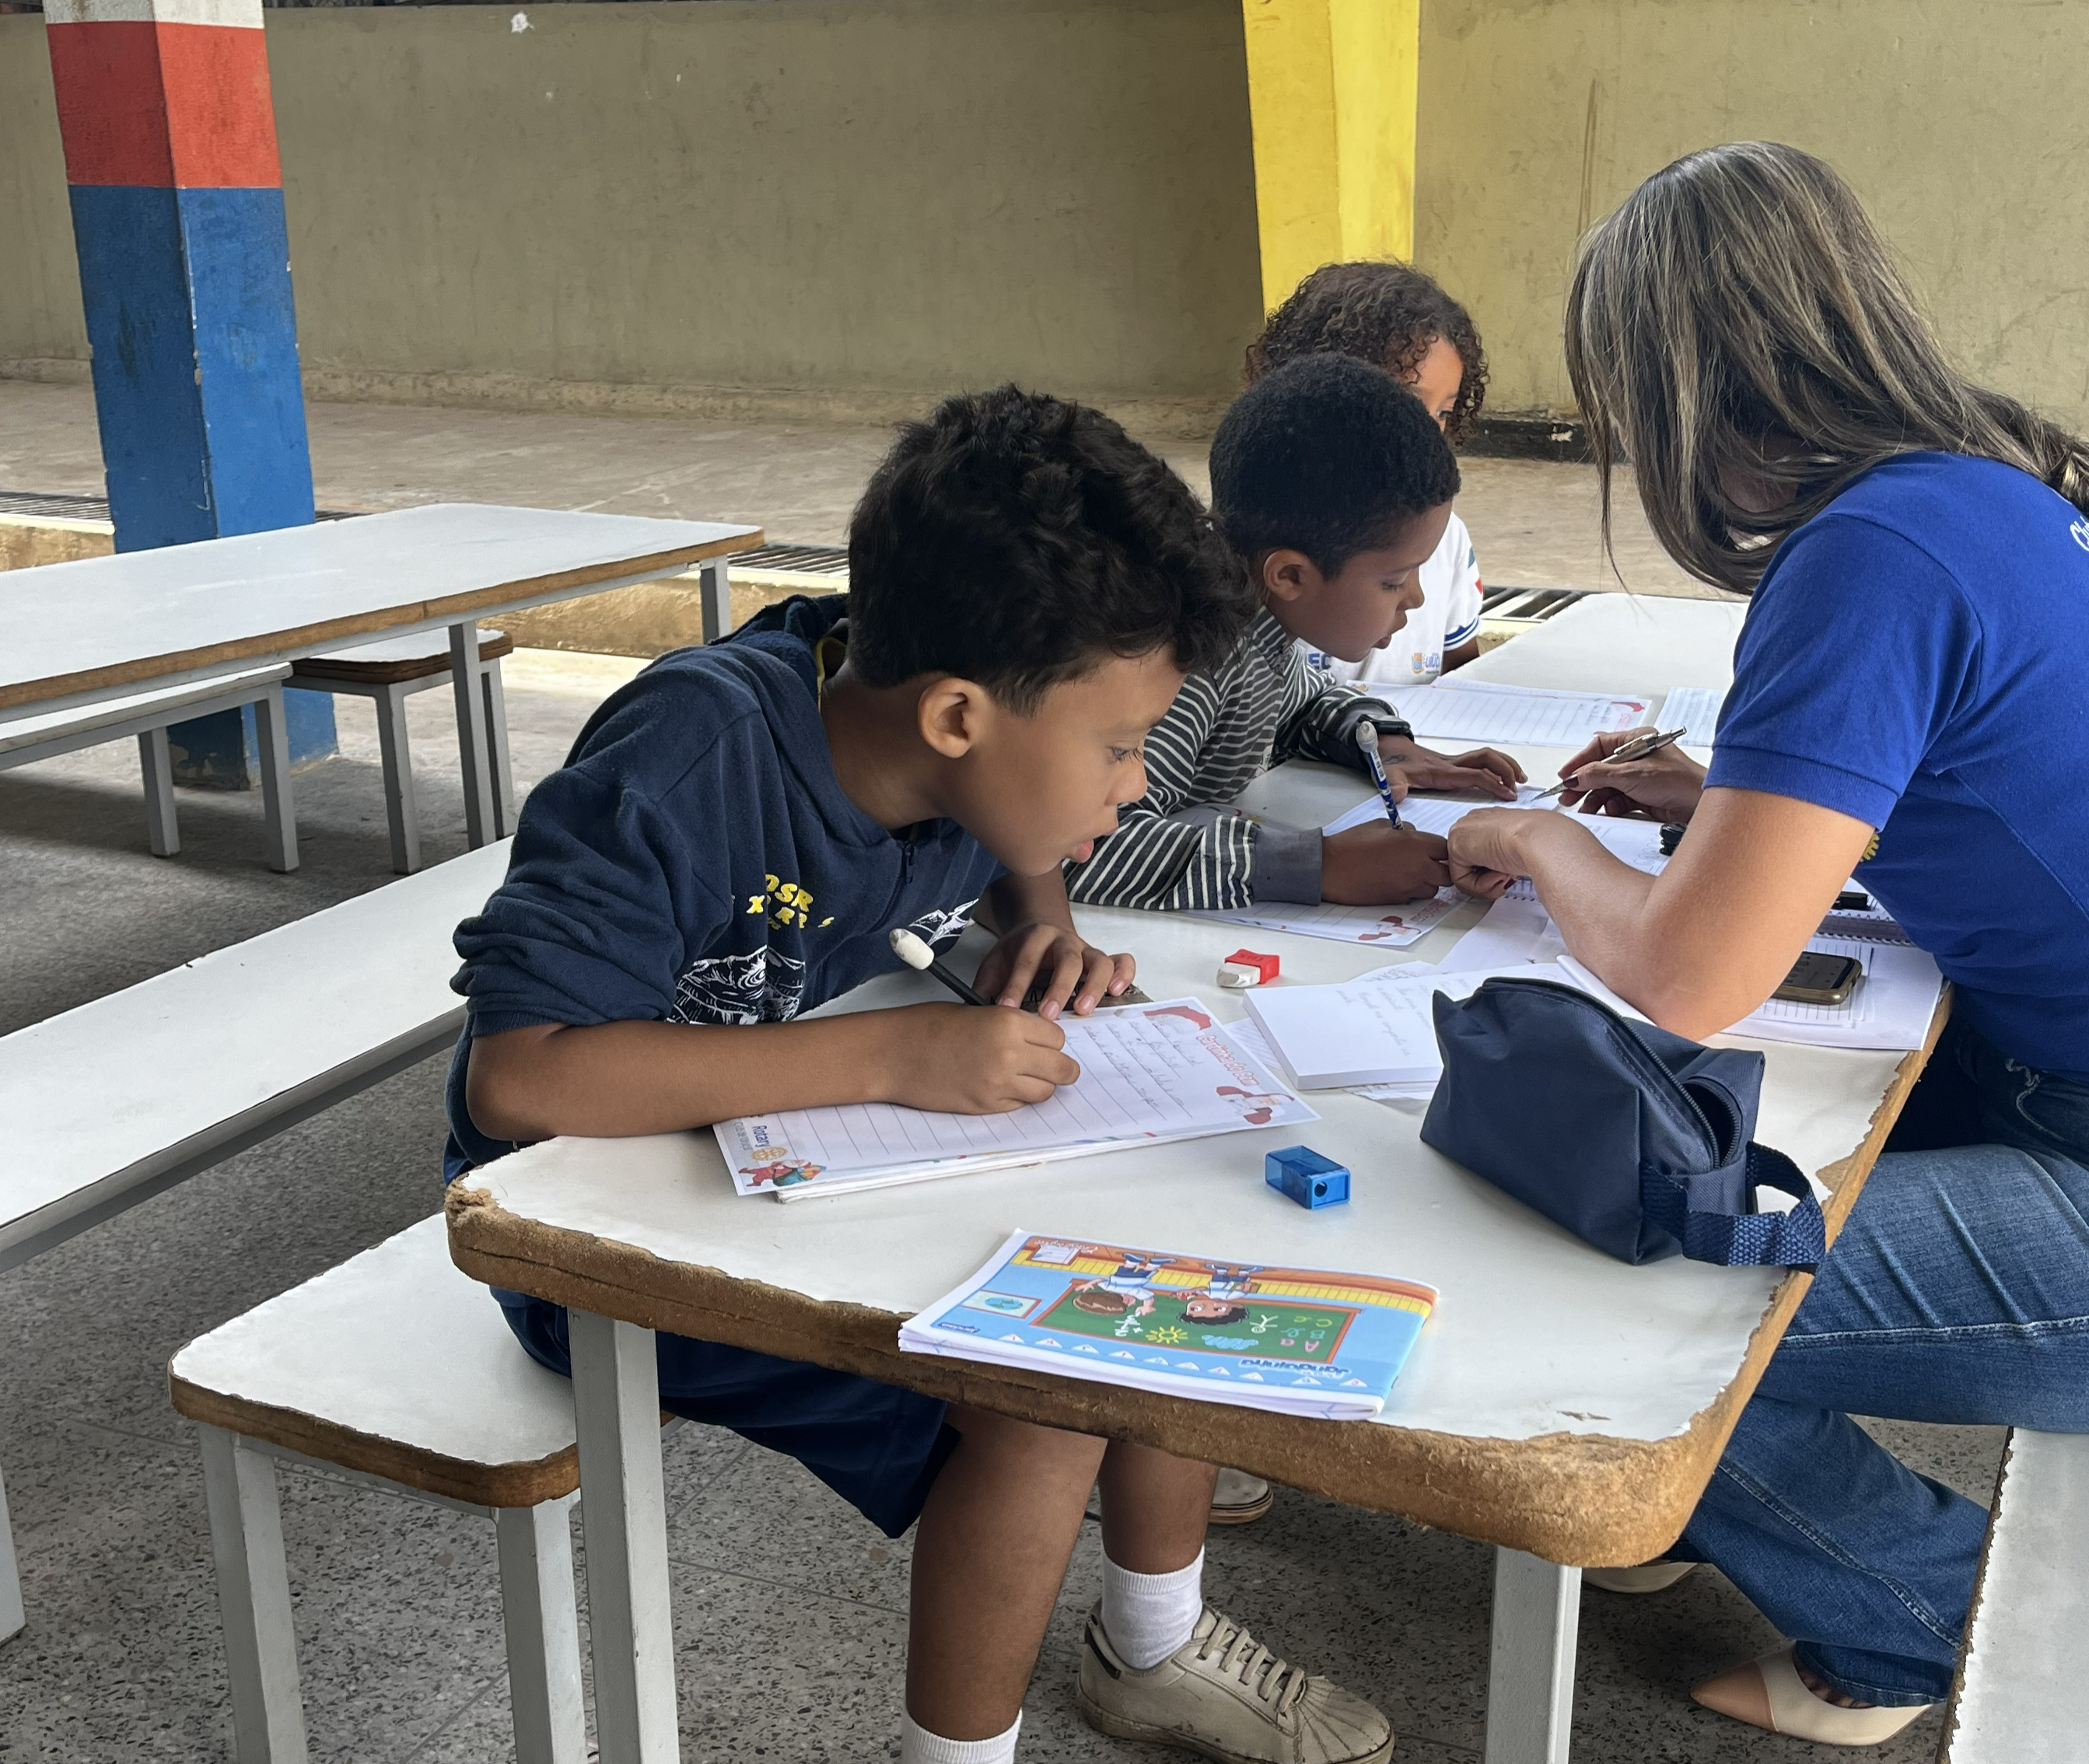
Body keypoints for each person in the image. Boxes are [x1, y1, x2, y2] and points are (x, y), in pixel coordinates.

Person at [1445, 142, 2089, 1746]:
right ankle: (1728, 1499)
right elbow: (2004, 786)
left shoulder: (1867, 558)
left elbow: (1685, 972)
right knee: (1719, 1131)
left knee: (1645, 1292)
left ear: (1675, 395)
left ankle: (1905, 1614)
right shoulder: (1987, 490)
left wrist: (1533, 838)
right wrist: (1737, 798)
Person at [446, 387, 1395, 1764]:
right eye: (1120, 748)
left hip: (784, 1167)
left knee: (1163, 1265)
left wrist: (1042, 924)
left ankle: (1153, 1640)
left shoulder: (939, 741)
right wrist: (897, 1050)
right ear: (956, 714)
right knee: (1040, 1386)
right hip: (578, 1237)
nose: (1136, 789)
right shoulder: (690, 759)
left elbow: (1018, 836)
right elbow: (517, 1084)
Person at [1065, 353, 1523, 913]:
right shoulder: (1186, 664)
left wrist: (1382, 741)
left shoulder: (1259, 627)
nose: (1417, 598)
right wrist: (1317, 864)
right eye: (1394, 580)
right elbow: (1082, 847)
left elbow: (1305, 703)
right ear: (1288, 576)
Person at [1246, 261, 1492, 684]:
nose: (1428, 431)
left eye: (1444, 411)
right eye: (1407, 402)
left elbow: (1462, 682)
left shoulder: (1446, 536)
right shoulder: (1273, 540)